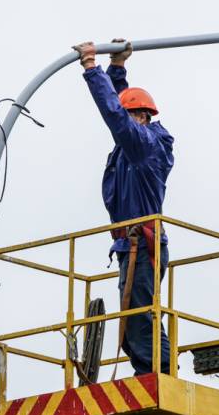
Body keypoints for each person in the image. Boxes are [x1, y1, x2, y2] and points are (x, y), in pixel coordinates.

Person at [72, 39, 175, 376]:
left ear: (142, 118)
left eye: (133, 117)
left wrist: (92, 68)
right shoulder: (137, 143)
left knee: (139, 315)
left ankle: (155, 375)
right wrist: (117, 69)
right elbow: (122, 109)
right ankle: (149, 370)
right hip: (131, 244)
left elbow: (117, 116)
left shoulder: (145, 146)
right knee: (135, 315)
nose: (127, 124)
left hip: (142, 244)